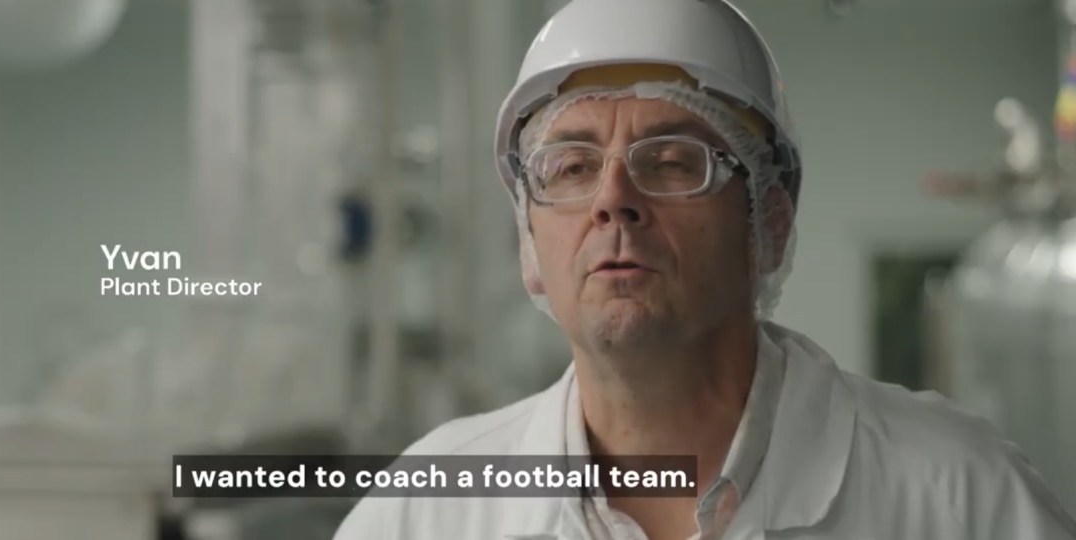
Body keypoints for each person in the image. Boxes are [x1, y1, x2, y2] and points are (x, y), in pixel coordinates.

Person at [333, 0, 1076, 538]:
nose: (613, 201)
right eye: (571, 167)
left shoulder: (959, 496)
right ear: (530, 239)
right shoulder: (425, 510)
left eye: (672, 161)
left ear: (769, 223)